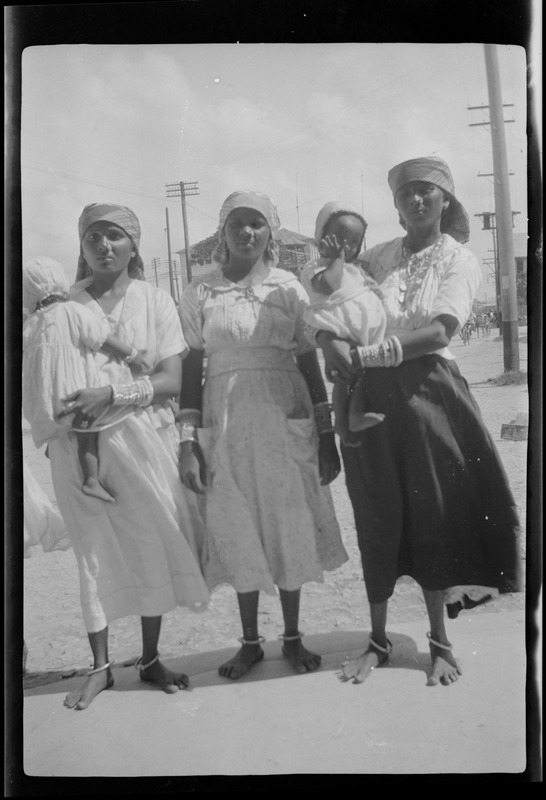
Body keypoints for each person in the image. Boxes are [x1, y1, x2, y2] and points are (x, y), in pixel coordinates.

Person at [315, 157, 523, 686]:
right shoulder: (379, 257)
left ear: (445, 201)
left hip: (432, 395)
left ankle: (438, 642)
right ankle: (379, 640)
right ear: (396, 204)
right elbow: (335, 307)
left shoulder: (458, 258)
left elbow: (438, 332)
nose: (416, 201)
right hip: (369, 402)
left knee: (432, 512)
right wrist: (331, 340)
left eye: (427, 192)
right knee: (376, 514)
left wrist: (365, 355)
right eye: (406, 193)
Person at [177, 190, 348, 680]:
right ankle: (250, 642)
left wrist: (325, 431)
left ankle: (292, 638)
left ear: (271, 231)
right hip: (223, 421)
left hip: (283, 414)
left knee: (288, 522)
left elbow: (307, 359)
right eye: (238, 223)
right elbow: (191, 368)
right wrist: (188, 442)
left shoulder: (289, 287)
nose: (247, 232)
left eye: (258, 223)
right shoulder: (199, 292)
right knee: (236, 523)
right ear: (222, 230)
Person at [46, 203, 209, 710]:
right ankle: (100, 667)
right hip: (78, 447)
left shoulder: (154, 301)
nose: (103, 245)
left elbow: (171, 382)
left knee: (151, 539)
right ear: (81, 246)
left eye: (115, 235)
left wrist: (112, 396)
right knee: (93, 552)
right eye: (92, 236)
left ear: (134, 245)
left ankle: (149, 657)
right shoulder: (62, 305)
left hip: (144, 439)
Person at [23, 256, 153, 503]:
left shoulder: (32, 324)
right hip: (74, 391)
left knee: (65, 429)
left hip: (47, 397)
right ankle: (91, 480)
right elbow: (102, 338)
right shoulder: (72, 311)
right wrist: (133, 355)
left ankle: (56, 441)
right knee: (87, 437)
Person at [300, 202, 389, 445]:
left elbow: (367, 289)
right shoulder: (315, 267)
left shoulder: (355, 269)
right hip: (340, 331)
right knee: (343, 376)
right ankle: (341, 423)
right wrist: (336, 259)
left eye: (352, 242)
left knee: (361, 377)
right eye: (338, 238)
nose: (345, 246)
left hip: (363, 335)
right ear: (321, 239)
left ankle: (355, 415)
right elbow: (327, 285)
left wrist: (374, 291)